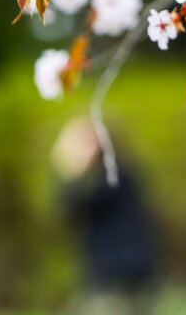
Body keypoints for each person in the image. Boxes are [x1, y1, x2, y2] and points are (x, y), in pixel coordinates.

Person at [51, 117, 158, 315]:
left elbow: (71, 207)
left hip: (116, 277)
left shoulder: (114, 177)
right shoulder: (116, 175)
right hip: (128, 273)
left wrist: (72, 168)